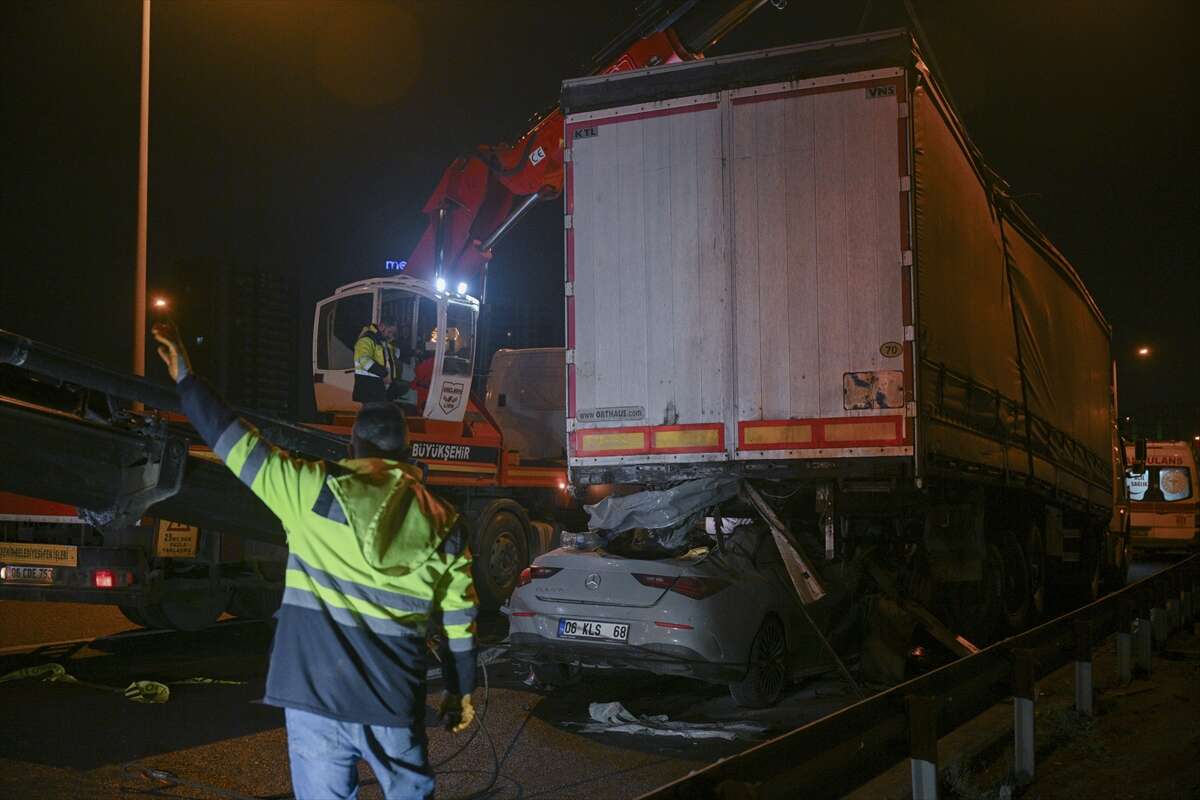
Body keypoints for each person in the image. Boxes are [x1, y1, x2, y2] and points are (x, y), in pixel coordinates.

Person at [152, 321, 477, 800]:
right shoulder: (444, 523)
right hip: (390, 701)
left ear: (353, 446)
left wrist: (186, 380)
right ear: (407, 454)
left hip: (313, 699)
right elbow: (459, 623)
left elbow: (235, 442)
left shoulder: (312, 493)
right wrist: (458, 691)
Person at [353, 318, 399, 403]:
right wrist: (384, 374)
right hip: (368, 387)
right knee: (372, 414)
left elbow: (391, 358)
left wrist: (390, 342)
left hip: (376, 388)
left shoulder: (380, 340)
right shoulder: (367, 339)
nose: (391, 335)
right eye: (389, 332)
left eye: (393, 333)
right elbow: (364, 361)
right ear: (382, 326)